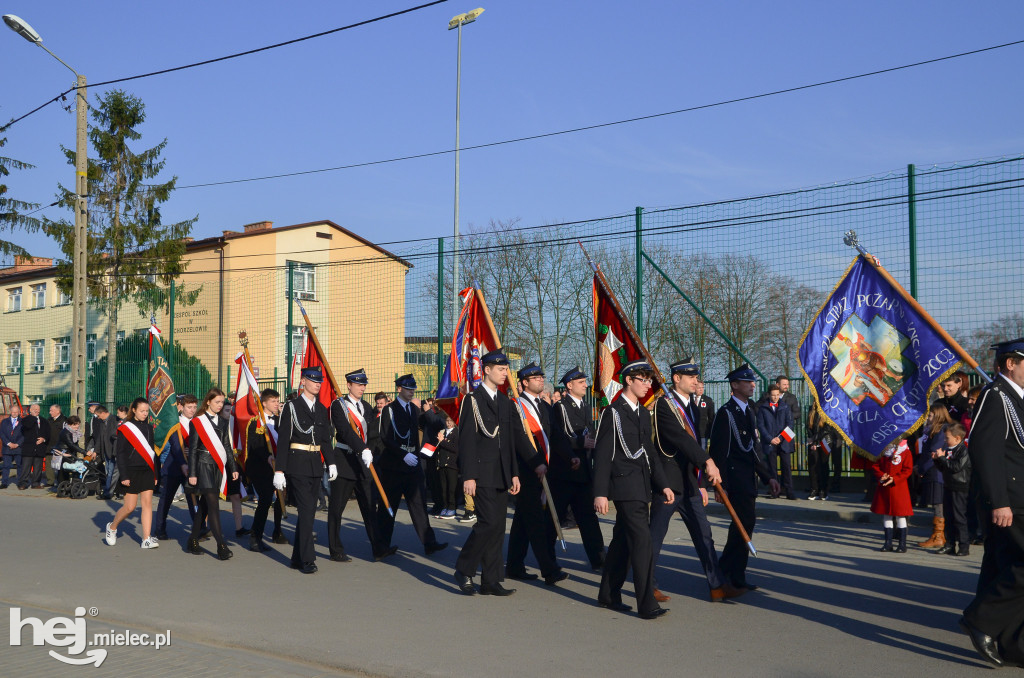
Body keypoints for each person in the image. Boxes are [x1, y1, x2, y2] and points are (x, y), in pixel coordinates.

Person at [651, 357, 740, 603]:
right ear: (676, 378)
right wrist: (708, 461)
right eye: (690, 377)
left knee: (704, 534)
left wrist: (700, 483)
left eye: (696, 377)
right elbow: (681, 439)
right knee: (655, 536)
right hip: (669, 482)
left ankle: (717, 585)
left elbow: (695, 442)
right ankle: (647, 585)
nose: (695, 381)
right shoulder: (664, 406)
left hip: (689, 481)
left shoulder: (693, 405)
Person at [593, 360, 674, 620]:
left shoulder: (641, 412)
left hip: (641, 485)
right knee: (642, 542)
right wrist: (600, 492)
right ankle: (646, 603)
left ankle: (608, 594)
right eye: (642, 379)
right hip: (624, 485)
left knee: (621, 544)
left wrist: (663, 484)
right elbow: (603, 454)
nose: (647, 384)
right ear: (628, 380)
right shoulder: (613, 412)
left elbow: (649, 451)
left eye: (649, 380)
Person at [960, 338, 1024, 667]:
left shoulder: (1016, 397)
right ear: (1010, 363)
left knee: (1004, 564)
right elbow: (985, 451)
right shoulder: (995, 395)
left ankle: (1012, 644)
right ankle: (981, 620)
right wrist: (999, 501)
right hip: (1010, 501)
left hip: (1019, 499)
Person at [454, 350, 522, 596]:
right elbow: (467, 441)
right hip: (481, 473)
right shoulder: (472, 400)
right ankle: (464, 568)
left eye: (506, 369)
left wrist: (514, 473)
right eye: (501, 369)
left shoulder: (504, 402)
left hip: (502, 473)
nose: (506, 373)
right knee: (488, 523)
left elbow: (510, 441)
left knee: (497, 528)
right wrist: (469, 475)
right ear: (486, 370)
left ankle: (491, 580)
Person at [709, 364, 780, 592]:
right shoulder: (726, 413)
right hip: (734, 480)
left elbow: (754, 449)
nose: (752, 385)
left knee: (743, 526)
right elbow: (719, 452)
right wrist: (721, 486)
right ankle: (725, 572)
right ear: (734, 385)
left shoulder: (750, 410)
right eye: (746, 382)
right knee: (743, 524)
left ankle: (733, 573)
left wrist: (768, 477)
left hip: (749, 480)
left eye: (753, 382)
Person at [506, 362, 568, 586]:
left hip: (544, 470)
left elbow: (557, 436)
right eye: (536, 378)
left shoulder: (545, 407)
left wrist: (571, 456)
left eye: (542, 376)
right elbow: (520, 439)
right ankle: (549, 570)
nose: (541, 380)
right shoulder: (516, 406)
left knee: (522, 521)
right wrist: (535, 463)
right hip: (525, 471)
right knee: (535, 522)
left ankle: (514, 565)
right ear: (524, 382)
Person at [375, 374, 447, 558]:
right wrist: (403, 454)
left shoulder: (414, 410)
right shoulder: (389, 410)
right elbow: (385, 437)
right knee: (388, 507)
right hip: (394, 464)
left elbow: (436, 424)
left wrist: (428, 410)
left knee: (419, 504)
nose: (411, 390)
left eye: (413, 388)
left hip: (412, 464)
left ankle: (429, 542)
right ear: (399, 389)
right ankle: (381, 545)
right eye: (408, 388)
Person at [273, 367, 337, 574]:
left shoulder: (321, 408)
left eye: (320, 381)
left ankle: (296, 558)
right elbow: (283, 441)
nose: (318, 384)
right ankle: (308, 559)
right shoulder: (291, 407)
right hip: (297, 465)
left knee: (307, 512)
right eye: (313, 380)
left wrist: (332, 462)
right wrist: (279, 470)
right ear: (303, 381)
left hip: (315, 466)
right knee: (308, 510)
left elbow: (325, 439)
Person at [328, 369, 389, 562]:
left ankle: (378, 548)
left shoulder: (365, 406)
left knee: (370, 507)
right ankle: (335, 549)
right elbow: (345, 431)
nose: (362, 388)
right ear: (348, 385)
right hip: (345, 460)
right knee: (337, 508)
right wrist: (362, 448)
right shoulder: (339, 406)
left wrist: (369, 451)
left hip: (363, 463)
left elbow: (371, 434)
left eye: (364, 385)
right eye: (358, 384)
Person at [549, 365, 605, 570]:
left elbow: (589, 432)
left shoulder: (584, 406)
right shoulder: (561, 407)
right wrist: (580, 444)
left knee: (588, 518)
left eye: (585, 382)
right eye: (581, 383)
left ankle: (599, 559)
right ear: (569, 385)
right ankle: (548, 560)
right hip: (565, 472)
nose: (585, 385)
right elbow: (561, 436)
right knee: (554, 520)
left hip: (583, 473)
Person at [185, 388, 239, 561]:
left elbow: (227, 447)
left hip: (218, 466)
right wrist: (192, 473)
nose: (220, 405)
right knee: (214, 505)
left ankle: (192, 540)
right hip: (203, 466)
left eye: (222, 402)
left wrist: (233, 467)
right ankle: (221, 545)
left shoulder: (223, 421)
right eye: (217, 402)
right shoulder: (197, 422)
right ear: (208, 401)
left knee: (204, 505)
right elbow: (192, 450)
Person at [105, 397, 160, 549]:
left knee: (147, 503)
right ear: (134, 410)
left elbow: (152, 452)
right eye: (142, 411)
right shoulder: (126, 428)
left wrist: (155, 473)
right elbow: (120, 453)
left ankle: (146, 539)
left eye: (147, 411)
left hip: (147, 469)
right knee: (130, 507)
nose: (145, 413)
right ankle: (112, 526)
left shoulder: (149, 428)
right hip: (131, 470)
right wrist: (124, 475)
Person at [246, 388, 288, 552]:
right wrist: (268, 457)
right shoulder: (256, 422)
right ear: (264, 403)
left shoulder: (280, 420)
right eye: (273, 401)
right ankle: (255, 537)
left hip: (278, 467)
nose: (277, 404)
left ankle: (277, 531)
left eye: (278, 401)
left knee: (281, 499)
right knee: (264, 500)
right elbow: (254, 445)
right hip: (261, 467)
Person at [153, 394, 199, 540]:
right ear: (181, 407)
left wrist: (192, 450)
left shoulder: (197, 423)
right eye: (189, 407)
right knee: (166, 499)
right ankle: (160, 529)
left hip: (191, 469)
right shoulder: (175, 424)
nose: (192, 410)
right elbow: (174, 445)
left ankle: (199, 528)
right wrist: (183, 461)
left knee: (193, 499)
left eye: (194, 407)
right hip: (173, 467)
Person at [916, 402, 956, 549]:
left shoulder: (941, 430)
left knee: (939, 503)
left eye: (931, 415)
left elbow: (933, 451)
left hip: (936, 471)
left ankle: (938, 535)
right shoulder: (935, 430)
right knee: (937, 503)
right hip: (933, 470)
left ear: (938, 415)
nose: (929, 418)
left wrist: (921, 469)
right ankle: (938, 534)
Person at [933, 422, 972, 556]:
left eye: (947, 438)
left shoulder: (963, 450)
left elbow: (956, 467)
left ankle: (963, 546)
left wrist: (942, 458)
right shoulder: (949, 449)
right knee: (948, 516)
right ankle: (949, 544)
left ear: (957, 438)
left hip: (960, 487)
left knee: (959, 518)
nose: (945, 440)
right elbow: (944, 468)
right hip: (949, 485)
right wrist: (937, 460)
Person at [871, 438, 913, 552]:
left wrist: (895, 479)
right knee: (886, 514)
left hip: (899, 487)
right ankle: (888, 542)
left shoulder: (906, 451)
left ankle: (902, 544)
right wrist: (881, 475)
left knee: (900, 515)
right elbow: (875, 465)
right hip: (885, 487)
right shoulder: (883, 450)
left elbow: (908, 470)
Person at [757, 384, 797, 500]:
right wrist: (770, 438)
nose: (775, 397)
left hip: (784, 441)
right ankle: (775, 491)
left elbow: (790, 424)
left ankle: (789, 491)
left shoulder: (785, 406)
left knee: (786, 467)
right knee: (772, 468)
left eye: (777, 395)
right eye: (773, 395)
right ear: (769, 395)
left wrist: (780, 437)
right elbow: (761, 425)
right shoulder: (763, 408)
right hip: (770, 442)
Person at [805, 406, 838, 501]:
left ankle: (823, 490)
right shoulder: (811, 409)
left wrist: (815, 439)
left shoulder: (828, 409)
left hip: (825, 440)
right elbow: (808, 426)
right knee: (813, 464)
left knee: (823, 464)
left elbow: (827, 428)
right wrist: (812, 439)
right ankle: (814, 489)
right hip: (813, 441)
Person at [433, 414, 460, 519]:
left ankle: (452, 508)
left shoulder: (456, 432)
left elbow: (455, 448)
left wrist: (442, 441)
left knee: (451, 488)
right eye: (447, 421)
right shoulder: (442, 431)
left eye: (450, 421)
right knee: (443, 488)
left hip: (452, 464)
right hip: (442, 463)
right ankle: (445, 507)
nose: (448, 423)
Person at [17, 403, 49, 490]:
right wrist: (33, 417)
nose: (36, 410)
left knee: (38, 468)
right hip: (28, 448)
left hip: (40, 448)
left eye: (38, 409)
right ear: (30, 410)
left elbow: (47, 433)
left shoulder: (44, 421)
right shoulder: (25, 420)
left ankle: (36, 483)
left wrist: (43, 439)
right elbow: (28, 426)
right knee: (26, 468)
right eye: (34, 408)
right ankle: (23, 483)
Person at [0, 403, 23, 489]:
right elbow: (2, 434)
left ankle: (20, 482)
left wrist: (17, 444)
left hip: (18, 447)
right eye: (13, 412)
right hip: (7, 448)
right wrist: (9, 443)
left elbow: (24, 435)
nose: (14, 413)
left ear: (19, 412)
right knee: (6, 466)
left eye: (16, 412)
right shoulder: (4, 421)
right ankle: (4, 482)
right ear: (10, 412)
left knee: (20, 466)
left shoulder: (22, 422)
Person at [45, 403, 67, 487]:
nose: (50, 412)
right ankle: (50, 481)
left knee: (59, 465)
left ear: (58, 411)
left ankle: (60, 482)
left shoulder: (64, 420)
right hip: (49, 445)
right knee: (49, 464)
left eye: (52, 410)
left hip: (59, 446)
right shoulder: (49, 420)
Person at [693, 379, 714, 449]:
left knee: (701, 453)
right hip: (690, 432)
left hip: (702, 433)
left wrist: (709, 432)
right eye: (699, 388)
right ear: (694, 387)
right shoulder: (688, 398)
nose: (701, 390)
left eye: (702, 388)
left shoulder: (708, 400)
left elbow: (711, 417)